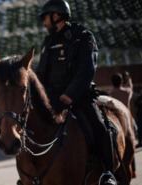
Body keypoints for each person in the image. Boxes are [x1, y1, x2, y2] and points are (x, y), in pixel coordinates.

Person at [35, 0, 116, 184]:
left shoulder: (83, 36)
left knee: (100, 128)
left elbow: (86, 70)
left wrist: (69, 94)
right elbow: (41, 74)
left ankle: (107, 173)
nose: (44, 23)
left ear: (56, 15)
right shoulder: (48, 42)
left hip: (79, 97)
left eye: (45, 18)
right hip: (53, 100)